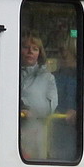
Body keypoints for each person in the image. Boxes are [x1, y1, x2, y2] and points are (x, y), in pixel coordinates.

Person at [19, 31, 57, 160]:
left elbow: (51, 106)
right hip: (11, 132)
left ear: (40, 53)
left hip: (36, 133)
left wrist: (31, 111)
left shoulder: (48, 78)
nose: (30, 51)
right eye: (26, 47)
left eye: (35, 49)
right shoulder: (7, 71)